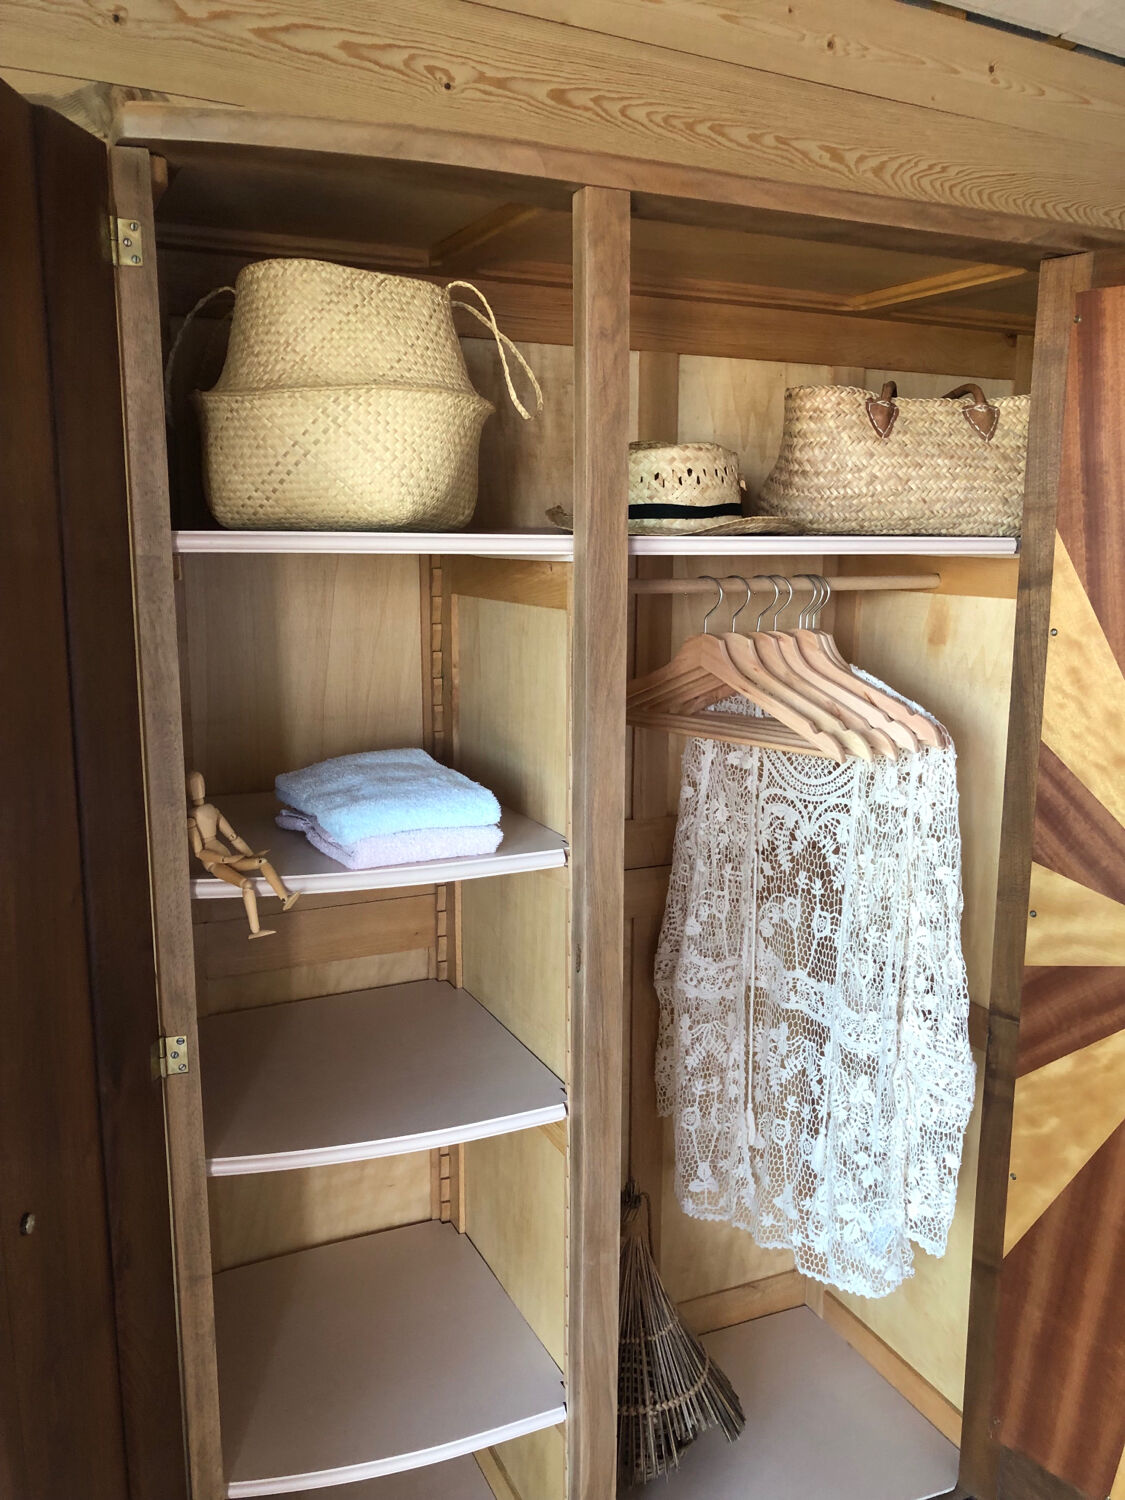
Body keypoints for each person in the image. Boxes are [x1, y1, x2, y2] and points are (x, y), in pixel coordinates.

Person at [186, 770, 299, 938]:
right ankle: (255, 930)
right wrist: (225, 858)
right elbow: (199, 852)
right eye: (195, 785)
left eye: (200, 783)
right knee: (246, 885)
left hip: (227, 855)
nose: (199, 788)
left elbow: (233, 837)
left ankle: (284, 898)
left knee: (262, 861)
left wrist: (250, 854)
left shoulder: (212, 811)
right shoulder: (191, 818)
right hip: (214, 862)